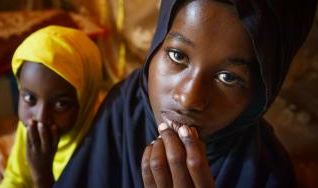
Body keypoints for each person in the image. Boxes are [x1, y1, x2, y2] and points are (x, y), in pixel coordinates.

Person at [54, 0, 317, 187]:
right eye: (177, 55)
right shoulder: (125, 107)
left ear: (259, 95)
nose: (188, 99)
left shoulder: (266, 174)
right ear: (157, 45)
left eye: (228, 77)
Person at [0, 25, 103, 188]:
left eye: (61, 104)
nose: (41, 117)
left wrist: (42, 176)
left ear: (85, 99)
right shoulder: (30, 128)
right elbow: (16, 178)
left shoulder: (102, 145)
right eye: (29, 98)